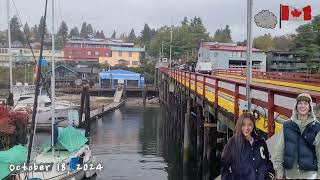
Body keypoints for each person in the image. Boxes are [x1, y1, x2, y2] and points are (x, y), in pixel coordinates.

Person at [272, 93, 320, 179]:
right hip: (291, 175)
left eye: (306, 103)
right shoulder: (287, 125)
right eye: (300, 103)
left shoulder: (317, 127)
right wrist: (278, 169)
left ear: (310, 108)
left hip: (310, 175)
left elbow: (319, 152)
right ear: (296, 106)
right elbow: (279, 149)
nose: (302, 106)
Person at [221, 112, 275, 180]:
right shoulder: (232, 143)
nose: (246, 128)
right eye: (243, 125)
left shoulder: (260, 142)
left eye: (250, 124)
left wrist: (270, 175)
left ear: (253, 125)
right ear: (239, 125)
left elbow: (268, 161)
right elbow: (224, 166)